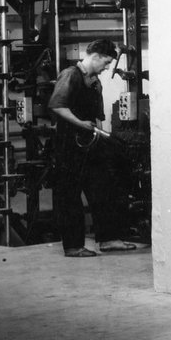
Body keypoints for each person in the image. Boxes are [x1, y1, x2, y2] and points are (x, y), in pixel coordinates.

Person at [48, 38, 137, 257]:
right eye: (105, 62)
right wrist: (80, 123)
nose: (107, 67)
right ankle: (73, 246)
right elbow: (57, 105)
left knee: (103, 188)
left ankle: (108, 239)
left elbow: (96, 115)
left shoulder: (95, 81)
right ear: (95, 56)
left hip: (89, 142)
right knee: (69, 195)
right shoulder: (70, 75)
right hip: (68, 143)